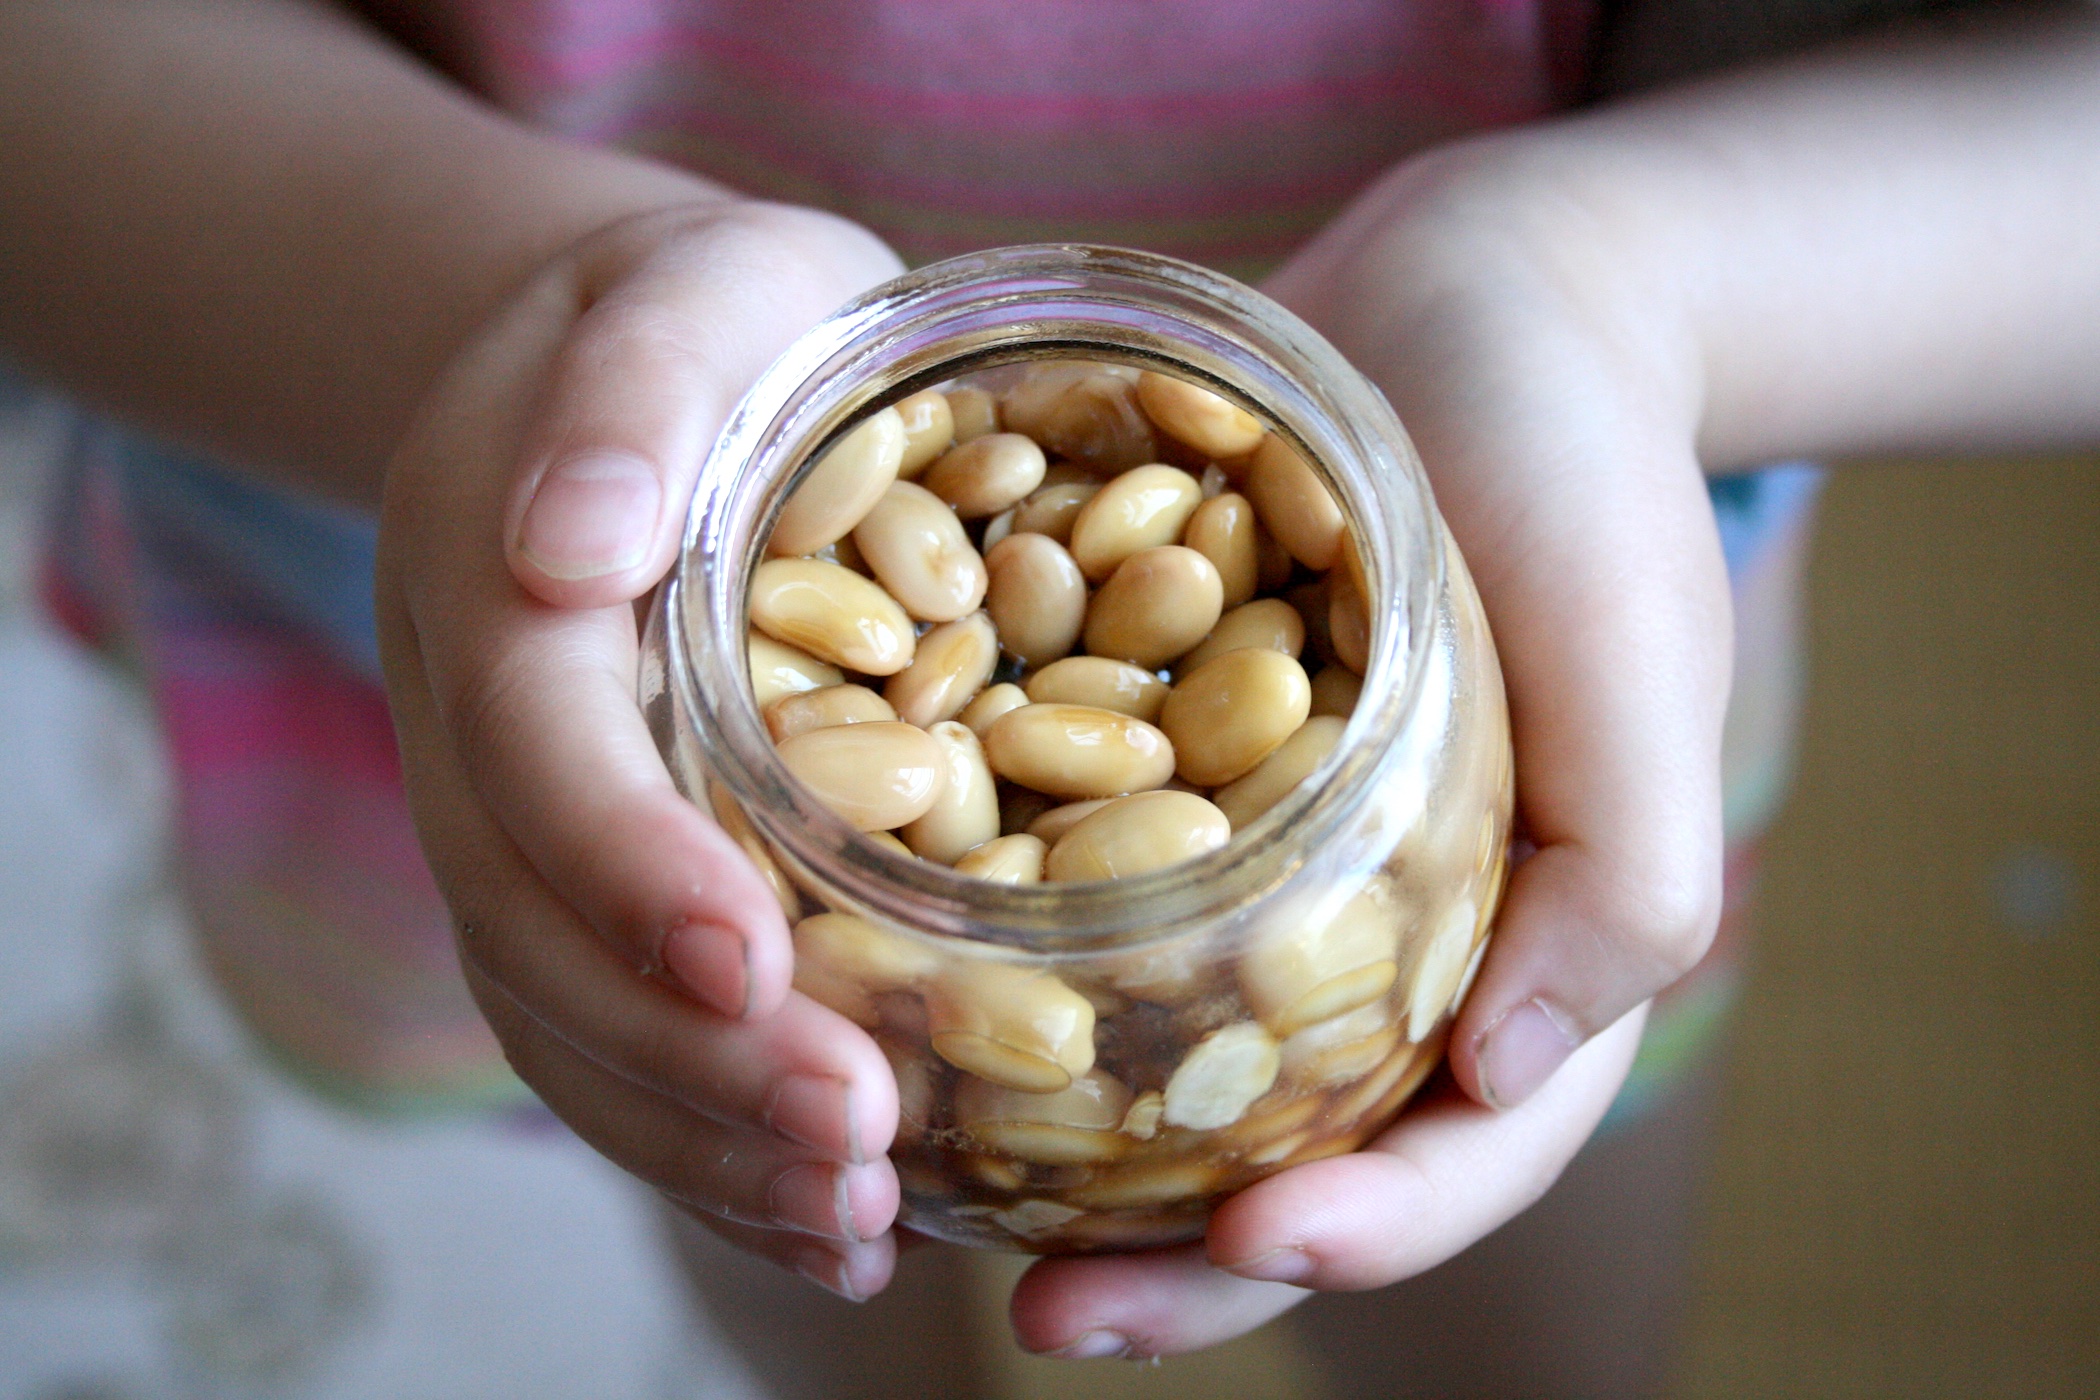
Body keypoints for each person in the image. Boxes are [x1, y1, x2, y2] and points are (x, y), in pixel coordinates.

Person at [2, 1, 2095, 1395]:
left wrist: (1623, 275)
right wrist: (517, 311)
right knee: (784, 1170)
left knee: (1524, 1271)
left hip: (1553, 601)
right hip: (498, 527)